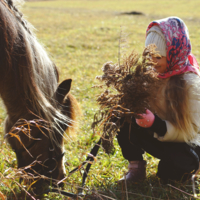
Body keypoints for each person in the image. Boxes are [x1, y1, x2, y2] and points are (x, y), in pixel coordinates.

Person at [117, 16, 200, 183]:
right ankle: (136, 167)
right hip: (159, 135)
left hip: (188, 145)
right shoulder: (151, 76)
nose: (152, 62)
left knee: (169, 176)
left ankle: (189, 170)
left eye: (158, 57)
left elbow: (191, 131)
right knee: (121, 117)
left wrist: (156, 124)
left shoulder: (190, 84)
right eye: (150, 56)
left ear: (174, 53)